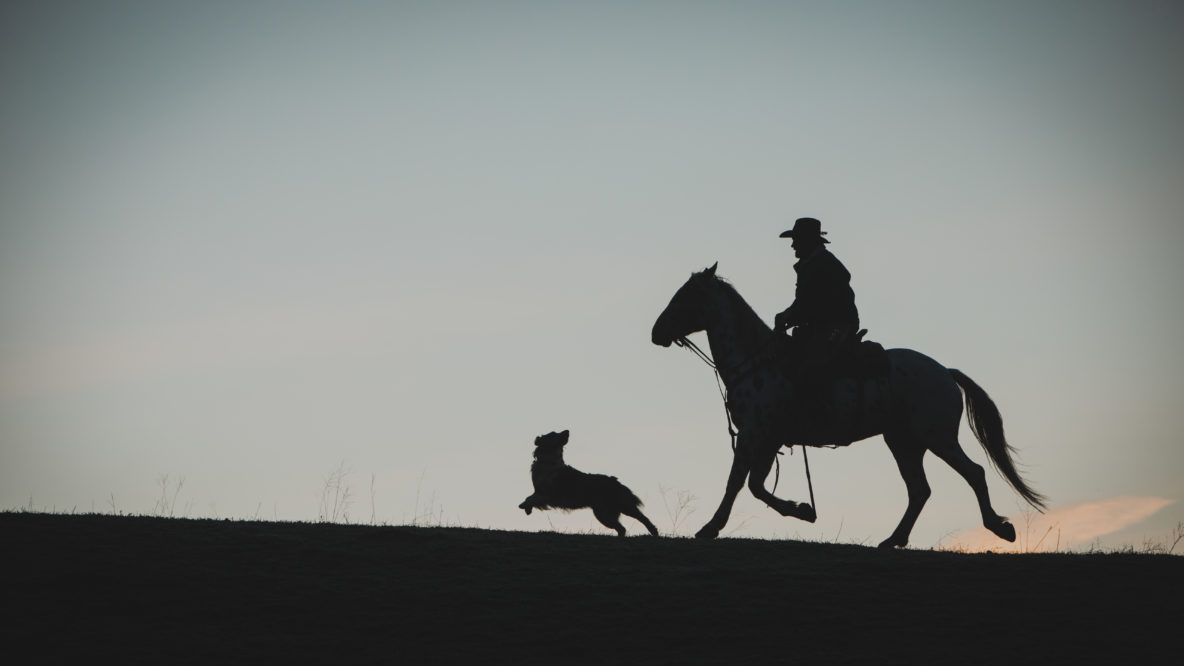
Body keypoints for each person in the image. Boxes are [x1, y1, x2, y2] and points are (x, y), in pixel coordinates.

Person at [774, 216, 860, 371]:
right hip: (823, 326)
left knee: (812, 368)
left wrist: (790, 315)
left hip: (837, 326)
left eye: (796, 240)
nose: (793, 245)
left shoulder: (823, 264)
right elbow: (803, 301)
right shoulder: (811, 264)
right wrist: (788, 313)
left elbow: (816, 303)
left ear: (807, 241)